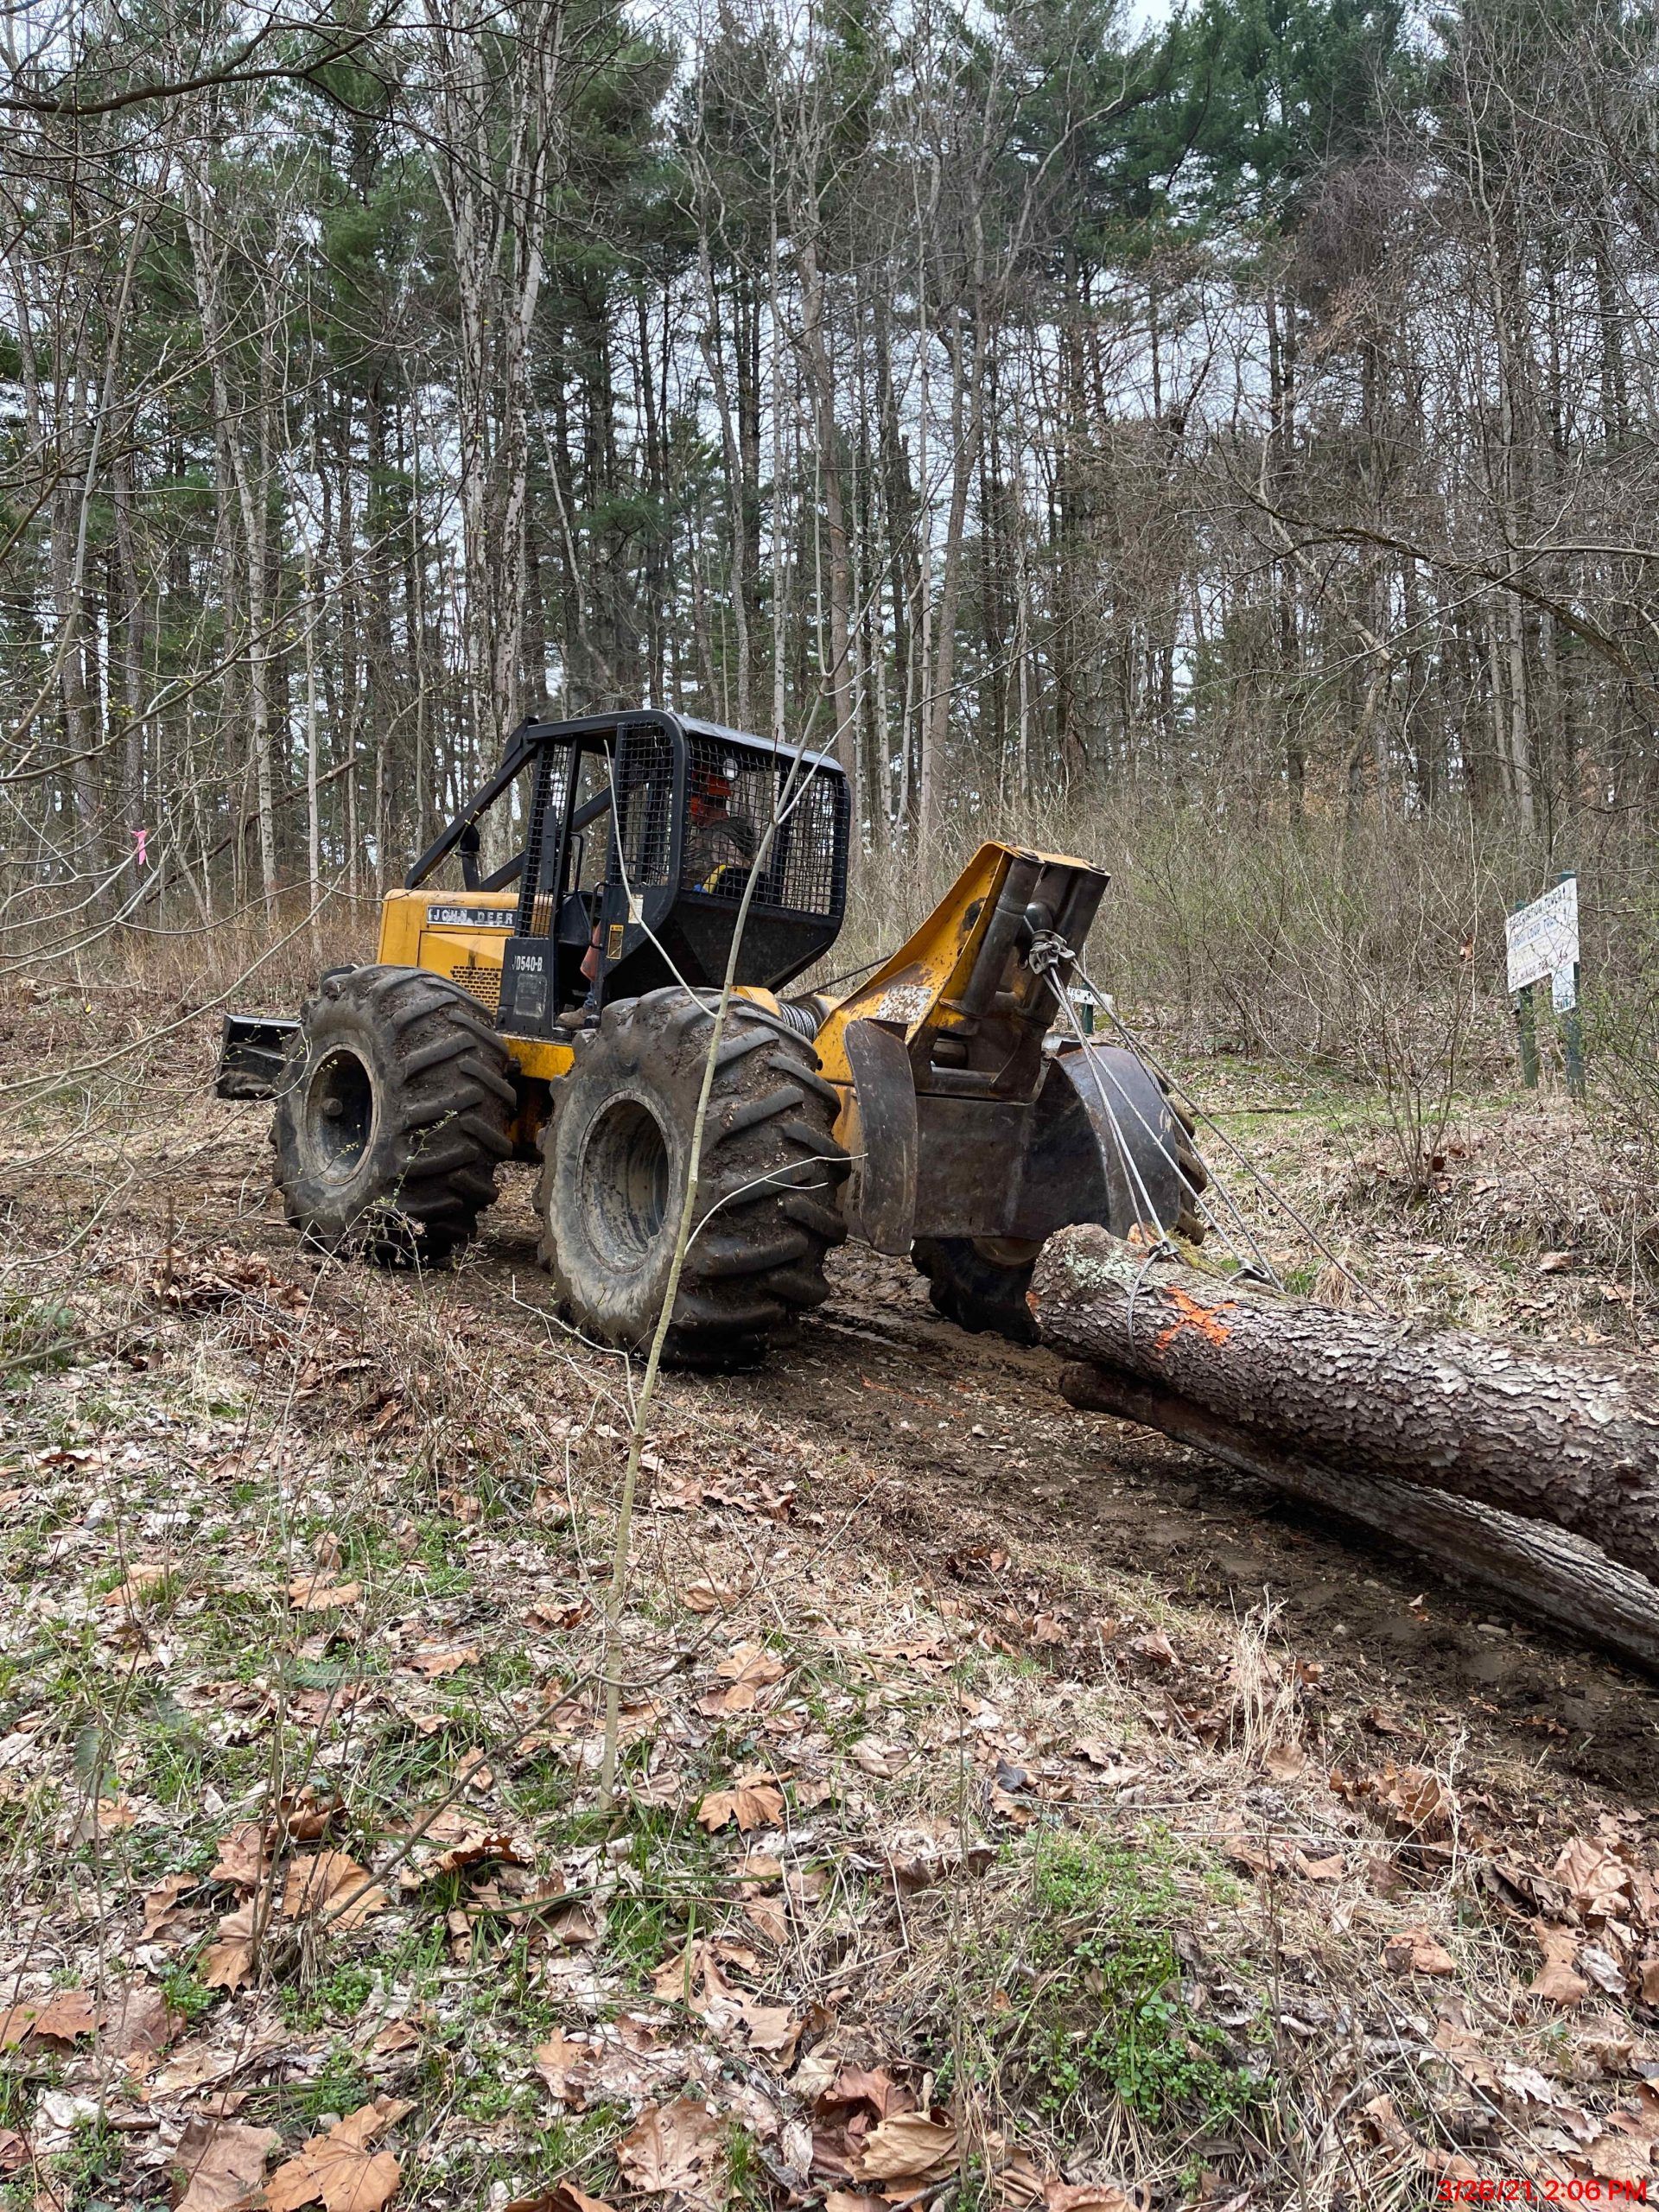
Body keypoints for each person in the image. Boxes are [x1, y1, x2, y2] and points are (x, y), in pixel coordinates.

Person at [683, 763, 757, 895]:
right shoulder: (742, 836)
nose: (688, 809)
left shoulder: (707, 840)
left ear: (701, 803)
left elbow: (680, 882)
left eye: (690, 802)